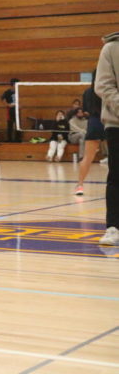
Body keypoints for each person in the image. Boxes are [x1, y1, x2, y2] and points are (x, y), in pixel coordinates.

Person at [94, 31, 119, 245]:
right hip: (117, 123)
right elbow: (103, 85)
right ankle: (114, 227)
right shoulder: (111, 48)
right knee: (117, 177)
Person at [77, 69, 106, 196]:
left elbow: (85, 111)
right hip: (108, 121)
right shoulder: (108, 89)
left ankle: (80, 186)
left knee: (88, 157)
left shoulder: (87, 92)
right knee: (115, 157)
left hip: (93, 123)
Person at [1, 78, 20, 142]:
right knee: (10, 125)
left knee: (18, 125)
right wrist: (8, 105)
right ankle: (9, 139)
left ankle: (18, 139)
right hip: (10, 110)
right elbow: (2, 99)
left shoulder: (19, 91)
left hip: (17, 110)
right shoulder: (7, 92)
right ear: (13, 84)